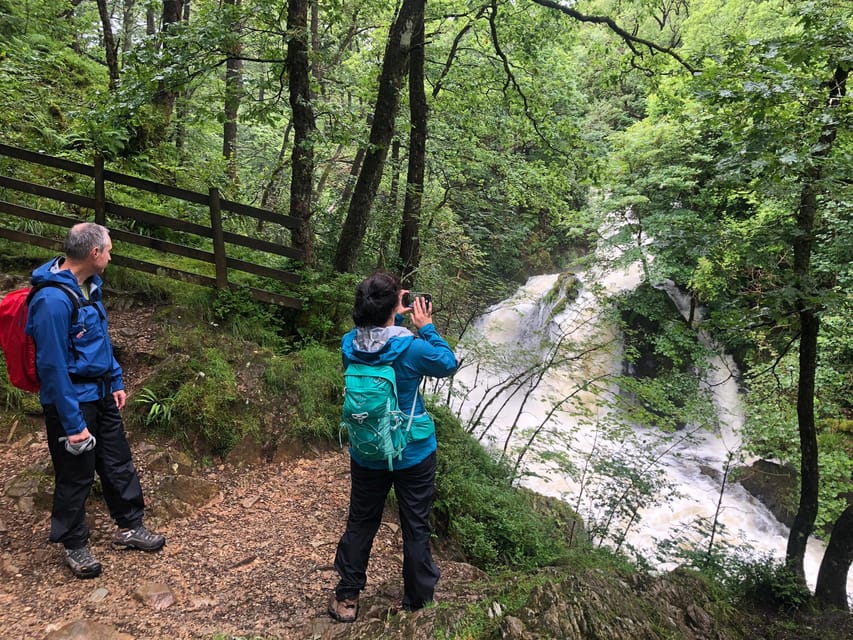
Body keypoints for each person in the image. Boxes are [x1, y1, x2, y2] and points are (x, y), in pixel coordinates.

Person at [25, 222, 165, 579]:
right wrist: (73, 426)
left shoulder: (90, 287)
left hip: (101, 394)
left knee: (118, 462)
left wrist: (115, 379)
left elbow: (100, 338)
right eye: (109, 249)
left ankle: (131, 526)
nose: (111, 255)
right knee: (75, 475)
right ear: (94, 253)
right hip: (71, 401)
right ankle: (75, 544)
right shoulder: (52, 300)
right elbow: (52, 366)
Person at [329, 272, 458, 623]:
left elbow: (376, 345)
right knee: (415, 525)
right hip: (412, 451)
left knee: (361, 521)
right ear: (391, 308)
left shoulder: (347, 344)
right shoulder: (412, 347)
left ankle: (347, 597)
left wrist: (391, 316)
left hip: (368, 449)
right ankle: (417, 603)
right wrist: (426, 326)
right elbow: (448, 363)